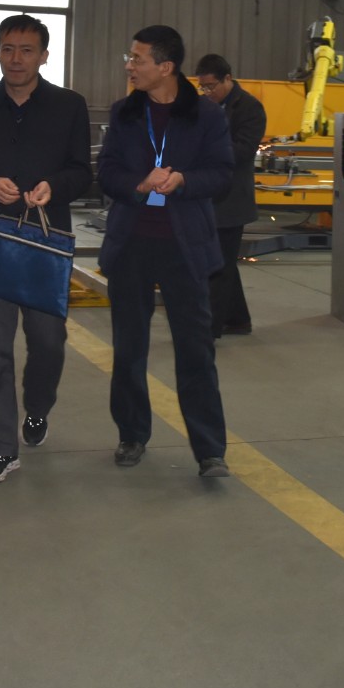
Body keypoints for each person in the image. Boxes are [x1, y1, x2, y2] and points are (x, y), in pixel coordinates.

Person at [0, 15, 92, 483]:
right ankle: (1, 448)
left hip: (44, 246)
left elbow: (82, 172)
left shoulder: (69, 106)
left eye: (27, 50)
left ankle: (38, 406)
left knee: (48, 342)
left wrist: (54, 186)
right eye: (7, 49)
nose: (16, 59)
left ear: (44, 56)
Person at [99, 26, 236, 477]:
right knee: (129, 348)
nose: (129, 66)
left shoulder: (206, 115)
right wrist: (138, 184)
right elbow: (107, 172)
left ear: (166, 67)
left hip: (184, 247)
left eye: (137, 59)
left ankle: (210, 450)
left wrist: (183, 181)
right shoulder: (124, 113)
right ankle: (132, 434)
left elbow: (222, 173)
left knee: (195, 350)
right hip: (132, 245)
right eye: (130, 57)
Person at [194, 54, 266, 340]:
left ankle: (208, 330)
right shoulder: (202, 106)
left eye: (211, 86)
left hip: (231, 199)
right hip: (205, 196)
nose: (207, 92)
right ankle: (238, 319)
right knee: (221, 261)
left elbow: (243, 150)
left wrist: (205, 151)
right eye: (202, 87)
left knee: (218, 265)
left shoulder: (249, 108)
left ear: (227, 78)